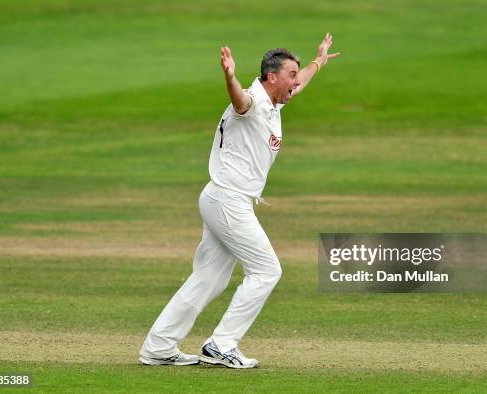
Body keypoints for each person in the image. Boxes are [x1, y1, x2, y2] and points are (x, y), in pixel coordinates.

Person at [139, 33, 339, 369]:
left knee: (208, 279)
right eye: (291, 74)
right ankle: (221, 344)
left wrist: (318, 61)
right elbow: (239, 101)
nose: (296, 81)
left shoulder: (276, 100)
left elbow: (299, 85)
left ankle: (158, 346)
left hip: (225, 199)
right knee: (266, 271)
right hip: (228, 199)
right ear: (271, 77)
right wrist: (230, 77)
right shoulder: (254, 101)